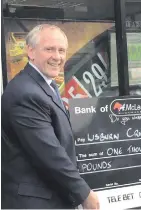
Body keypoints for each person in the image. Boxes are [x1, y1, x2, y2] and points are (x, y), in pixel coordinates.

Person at [1, 24, 100, 209]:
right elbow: (49, 152)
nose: (58, 57)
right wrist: (83, 193)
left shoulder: (46, 86)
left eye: (62, 50)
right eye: (49, 49)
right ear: (30, 51)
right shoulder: (26, 93)